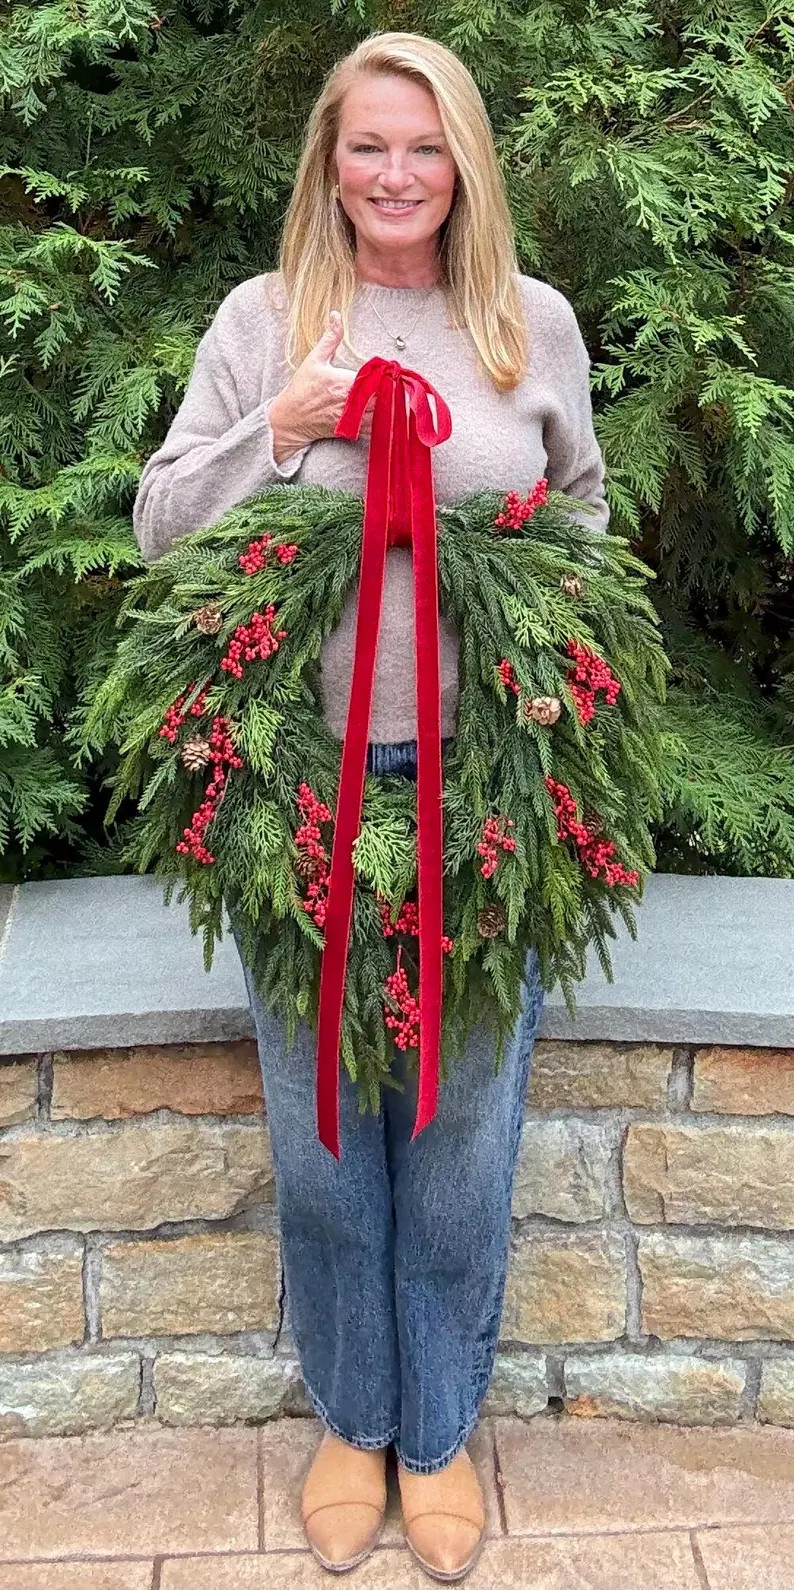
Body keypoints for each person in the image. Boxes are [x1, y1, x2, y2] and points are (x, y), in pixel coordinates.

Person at [132, 29, 609, 1584]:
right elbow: (157, 527)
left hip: (486, 789)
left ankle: (439, 1428)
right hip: (298, 794)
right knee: (323, 1124)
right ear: (326, 163)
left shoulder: (523, 327)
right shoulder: (267, 323)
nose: (393, 176)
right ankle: (352, 1415)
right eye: (365, 147)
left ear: (463, 160)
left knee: (462, 1126)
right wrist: (283, 431)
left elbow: (583, 522)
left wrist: (566, 676)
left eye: (423, 146)